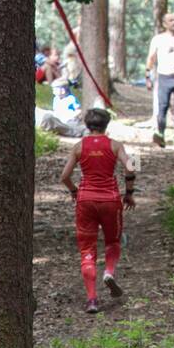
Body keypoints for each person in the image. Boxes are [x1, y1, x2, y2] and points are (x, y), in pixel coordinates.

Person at [59, 108, 136, 314]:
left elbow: (64, 176)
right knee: (112, 241)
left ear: (87, 125)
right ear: (106, 125)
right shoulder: (115, 145)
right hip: (110, 200)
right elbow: (130, 168)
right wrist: (129, 193)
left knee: (87, 251)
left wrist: (75, 191)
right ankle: (109, 272)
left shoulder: (78, 147)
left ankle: (92, 300)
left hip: (85, 201)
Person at [146, 13, 174, 147]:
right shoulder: (158, 39)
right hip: (164, 77)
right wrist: (147, 75)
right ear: (164, 23)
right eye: (171, 20)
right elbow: (151, 58)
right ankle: (161, 135)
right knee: (163, 107)